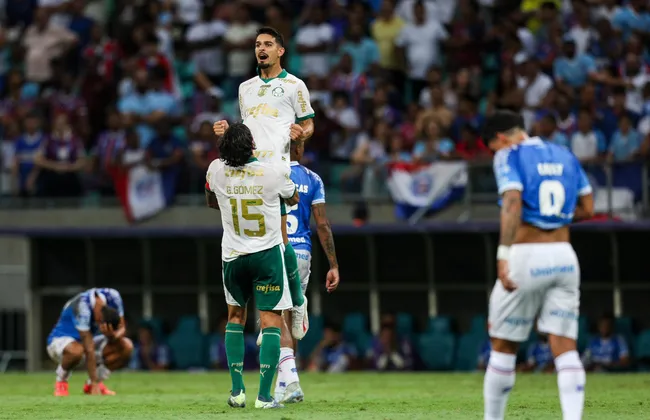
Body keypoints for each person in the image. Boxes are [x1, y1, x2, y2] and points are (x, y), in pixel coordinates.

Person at [481, 110, 595, 420]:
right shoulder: (565, 153)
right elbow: (588, 207)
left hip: (526, 254)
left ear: (501, 138)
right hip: (564, 256)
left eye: (493, 146)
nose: (496, 152)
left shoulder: (508, 155)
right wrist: (554, 219)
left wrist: (503, 254)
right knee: (565, 346)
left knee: (503, 345)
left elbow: (513, 202)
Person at [213, 26, 315, 341]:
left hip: (277, 171)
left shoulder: (295, 86)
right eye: (258, 44)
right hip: (250, 170)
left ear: (280, 51)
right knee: (255, 248)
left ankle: (295, 304)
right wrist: (228, 132)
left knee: (280, 241)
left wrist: (303, 133)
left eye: (268, 44)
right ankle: (280, 311)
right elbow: (249, 129)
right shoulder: (245, 88)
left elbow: (308, 122)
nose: (262, 49)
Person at [205, 122, 300, 409]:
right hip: (266, 255)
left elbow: (211, 201)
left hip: (233, 256)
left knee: (235, 318)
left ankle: (237, 393)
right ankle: (264, 397)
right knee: (270, 321)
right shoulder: (272, 173)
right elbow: (293, 197)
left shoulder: (214, 170)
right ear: (252, 146)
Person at [272, 140, 340, 403]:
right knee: (288, 317)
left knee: (275, 319)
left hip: (277, 251)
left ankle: (292, 383)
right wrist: (333, 265)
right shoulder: (313, 179)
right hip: (302, 254)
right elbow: (322, 224)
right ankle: (285, 384)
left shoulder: (270, 173)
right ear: (299, 149)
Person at [46, 288, 133, 397]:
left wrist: (112, 336)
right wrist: (94, 383)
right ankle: (61, 381)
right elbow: (89, 348)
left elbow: (122, 327)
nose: (99, 325)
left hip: (87, 342)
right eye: (100, 321)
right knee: (77, 350)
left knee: (126, 346)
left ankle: (91, 384)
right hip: (60, 342)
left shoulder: (113, 296)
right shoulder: (83, 306)